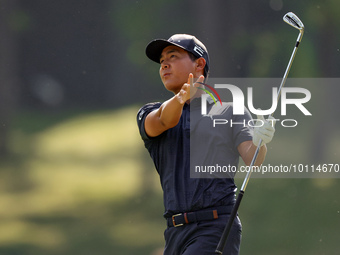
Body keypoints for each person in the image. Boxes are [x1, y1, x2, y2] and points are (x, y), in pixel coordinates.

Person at [137, 34, 275, 255]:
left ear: (199, 64)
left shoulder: (230, 111)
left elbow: (253, 159)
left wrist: (261, 141)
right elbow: (164, 120)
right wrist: (182, 98)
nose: (164, 64)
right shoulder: (149, 112)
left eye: (173, 56)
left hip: (216, 226)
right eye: (162, 60)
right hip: (174, 233)